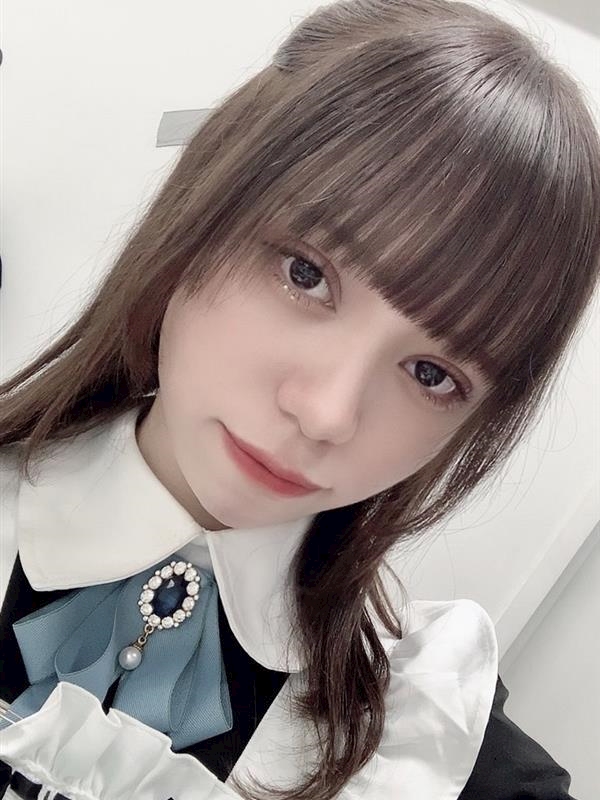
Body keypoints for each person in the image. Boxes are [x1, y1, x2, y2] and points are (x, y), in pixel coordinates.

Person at [1, 0, 598, 797]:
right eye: (306, 274)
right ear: (204, 206)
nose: (326, 413)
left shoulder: (431, 741)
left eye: (432, 374)